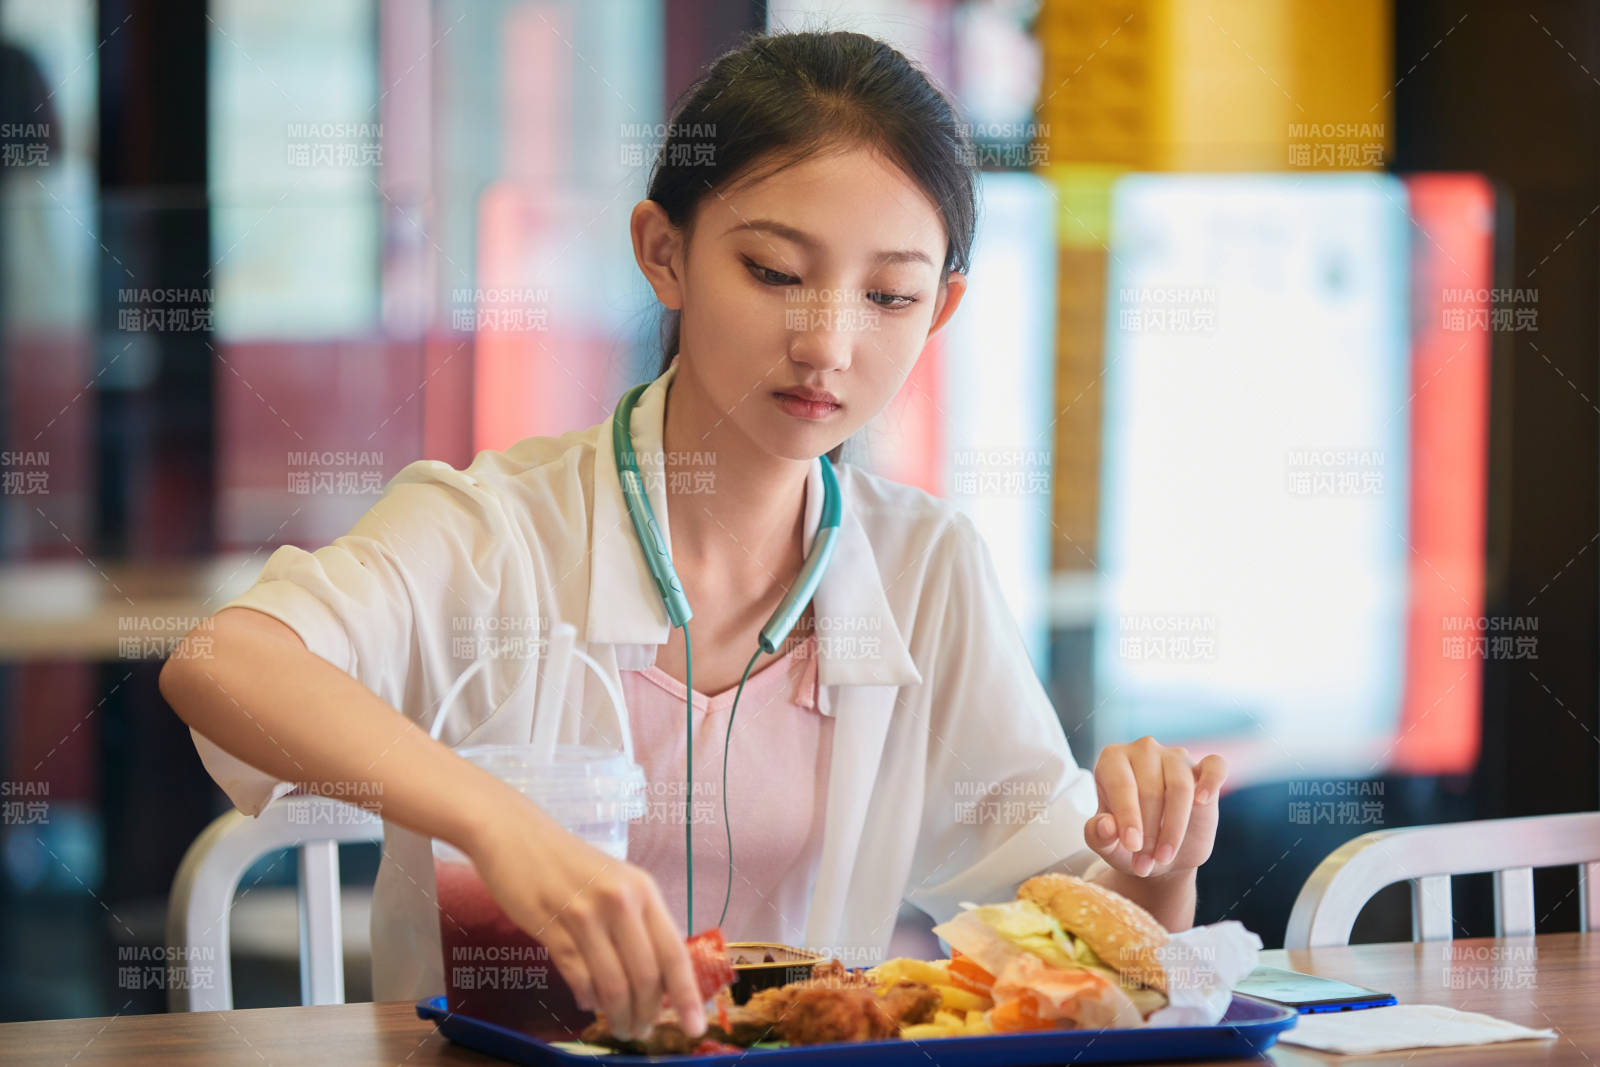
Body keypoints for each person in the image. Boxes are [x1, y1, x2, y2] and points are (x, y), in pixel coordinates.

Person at [160, 29, 1226, 1042]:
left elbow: (1076, 927)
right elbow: (222, 662)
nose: (826, 342)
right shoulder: (495, 528)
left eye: (888, 294)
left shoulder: (925, 567)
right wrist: (502, 824)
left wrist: (1155, 859)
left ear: (938, 311)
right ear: (662, 253)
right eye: (773, 272)